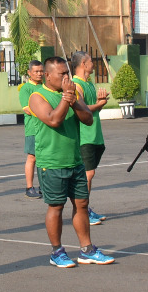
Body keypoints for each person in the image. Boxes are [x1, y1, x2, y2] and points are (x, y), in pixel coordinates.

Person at [29, 59, 115, 269]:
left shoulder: (71, 95)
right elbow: (53, 120)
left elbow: (88, 119)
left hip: (75, 160)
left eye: (67, 73)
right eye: (61, 74)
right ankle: (57, 251)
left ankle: (87, 249)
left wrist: (73, 100)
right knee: (56, 206)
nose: (66, 78)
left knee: (82, 205)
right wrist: (66, 99)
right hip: (52, 162)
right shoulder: (37, 97)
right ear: (48, 76)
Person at [70, 50, 110, 225]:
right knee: (87, 174)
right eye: (91, 62)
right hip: (84, 136)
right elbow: (81, 110)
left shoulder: (89, 84)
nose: (93, 64)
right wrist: (99, 104)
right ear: (83, 64)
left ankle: (86, 207)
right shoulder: (76, 85)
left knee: (89, 174)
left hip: (94, 134)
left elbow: (93, 109)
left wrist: (100, 103)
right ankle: (82, 210)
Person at [19, 59, 47, 198]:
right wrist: (46, 113)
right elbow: (27, 109)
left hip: (46, 127)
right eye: (36, 71)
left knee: (44, 158)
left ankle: (44, 186)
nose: (39, 74)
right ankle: (29, 187)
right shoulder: (26, 88)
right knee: (32, 157)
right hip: (33, 129)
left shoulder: (45, 87)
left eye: (41, 71)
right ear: (29, 73)